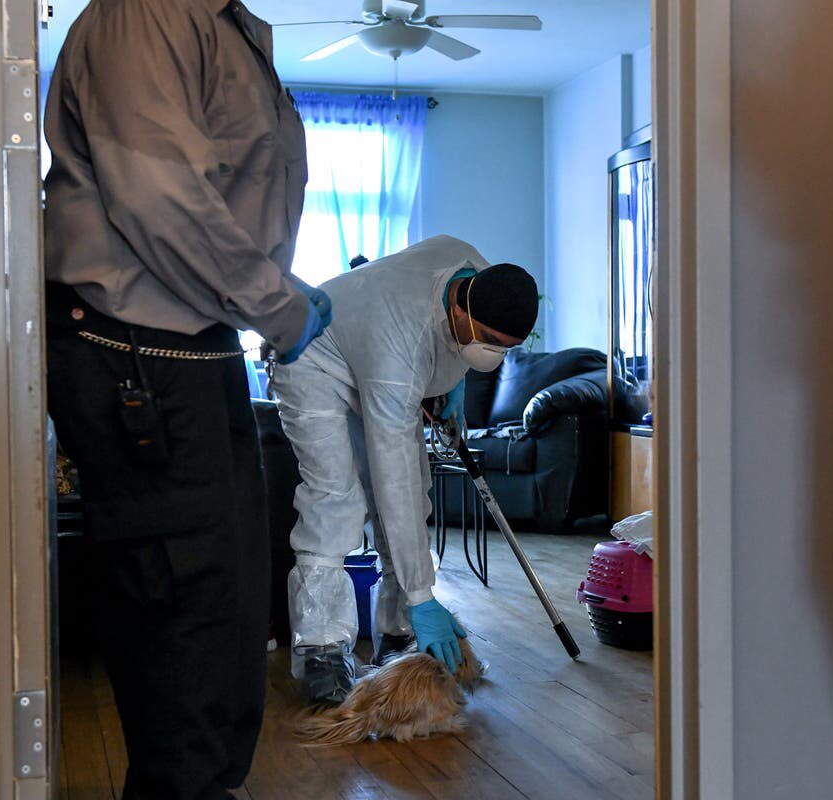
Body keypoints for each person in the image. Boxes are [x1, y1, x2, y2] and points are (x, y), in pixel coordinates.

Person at [42, 1, 328, 798]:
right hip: (137, 349)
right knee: (189, 621)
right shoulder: (149, 11)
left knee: (227, 614)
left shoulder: (225, 25)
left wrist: (268, 295)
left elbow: (216, 198)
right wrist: (281, 306)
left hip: (183, 345)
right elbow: (162, 198)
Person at [269, 235, 539, 703]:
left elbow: (405, 486)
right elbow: (389, 476)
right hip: (314, 360)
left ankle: (396, 634)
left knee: (415, 491)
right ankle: (322, 650)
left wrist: (450, 381)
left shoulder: (479, 274)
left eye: (506, 349)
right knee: (338, 499)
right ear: (460, 308)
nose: (494, 356)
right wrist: (424, 596)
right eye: (489, 343)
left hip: (376, 358)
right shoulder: (404, 338)